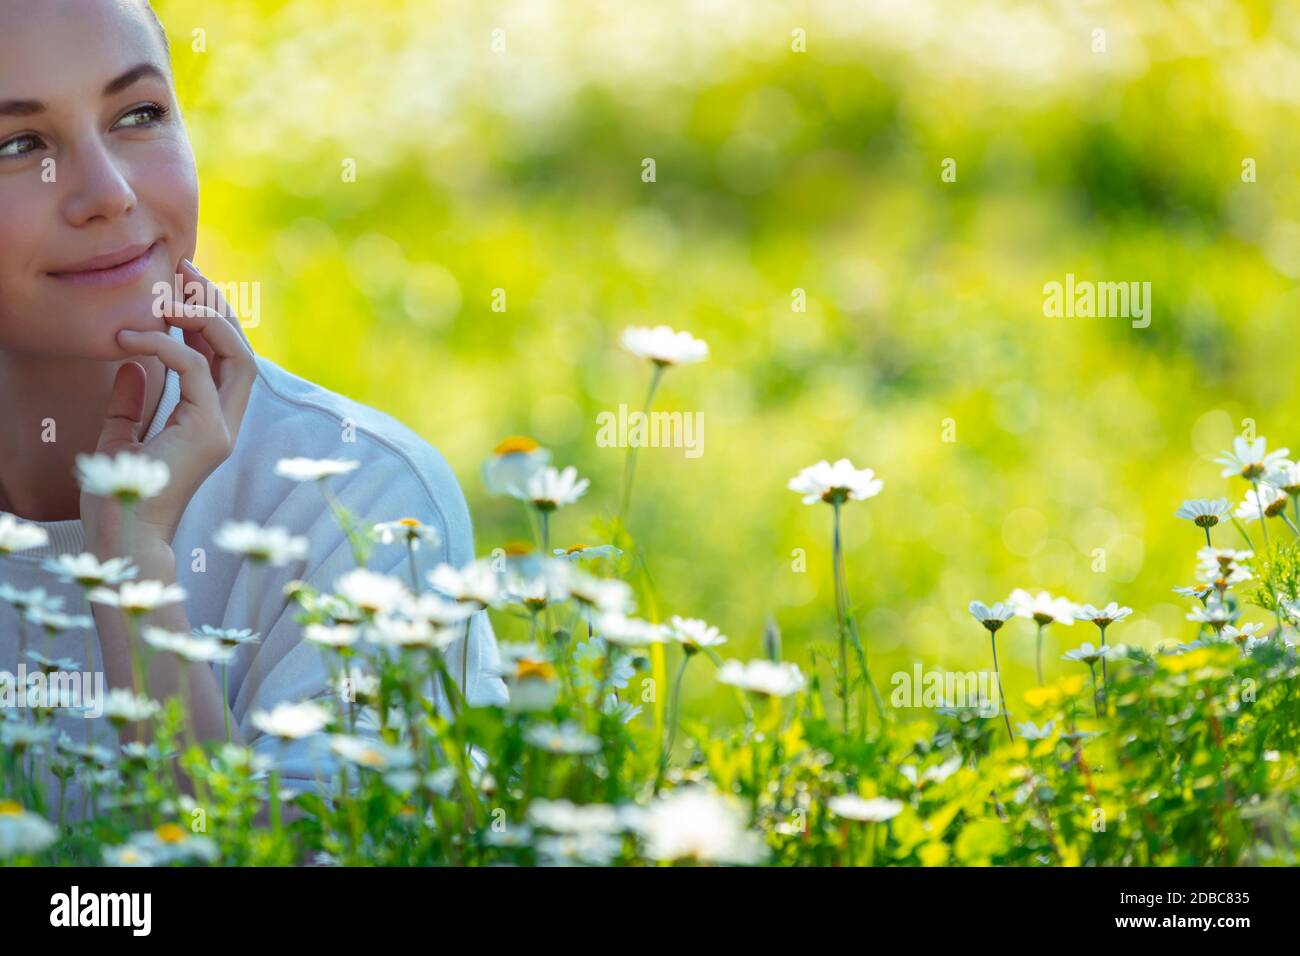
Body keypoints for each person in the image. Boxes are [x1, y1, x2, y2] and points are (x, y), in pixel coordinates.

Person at [0, 0, 506, 818]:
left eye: (138, 115)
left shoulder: (359, 507)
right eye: (19, 145)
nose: (109, 193)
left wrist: (133, 570)